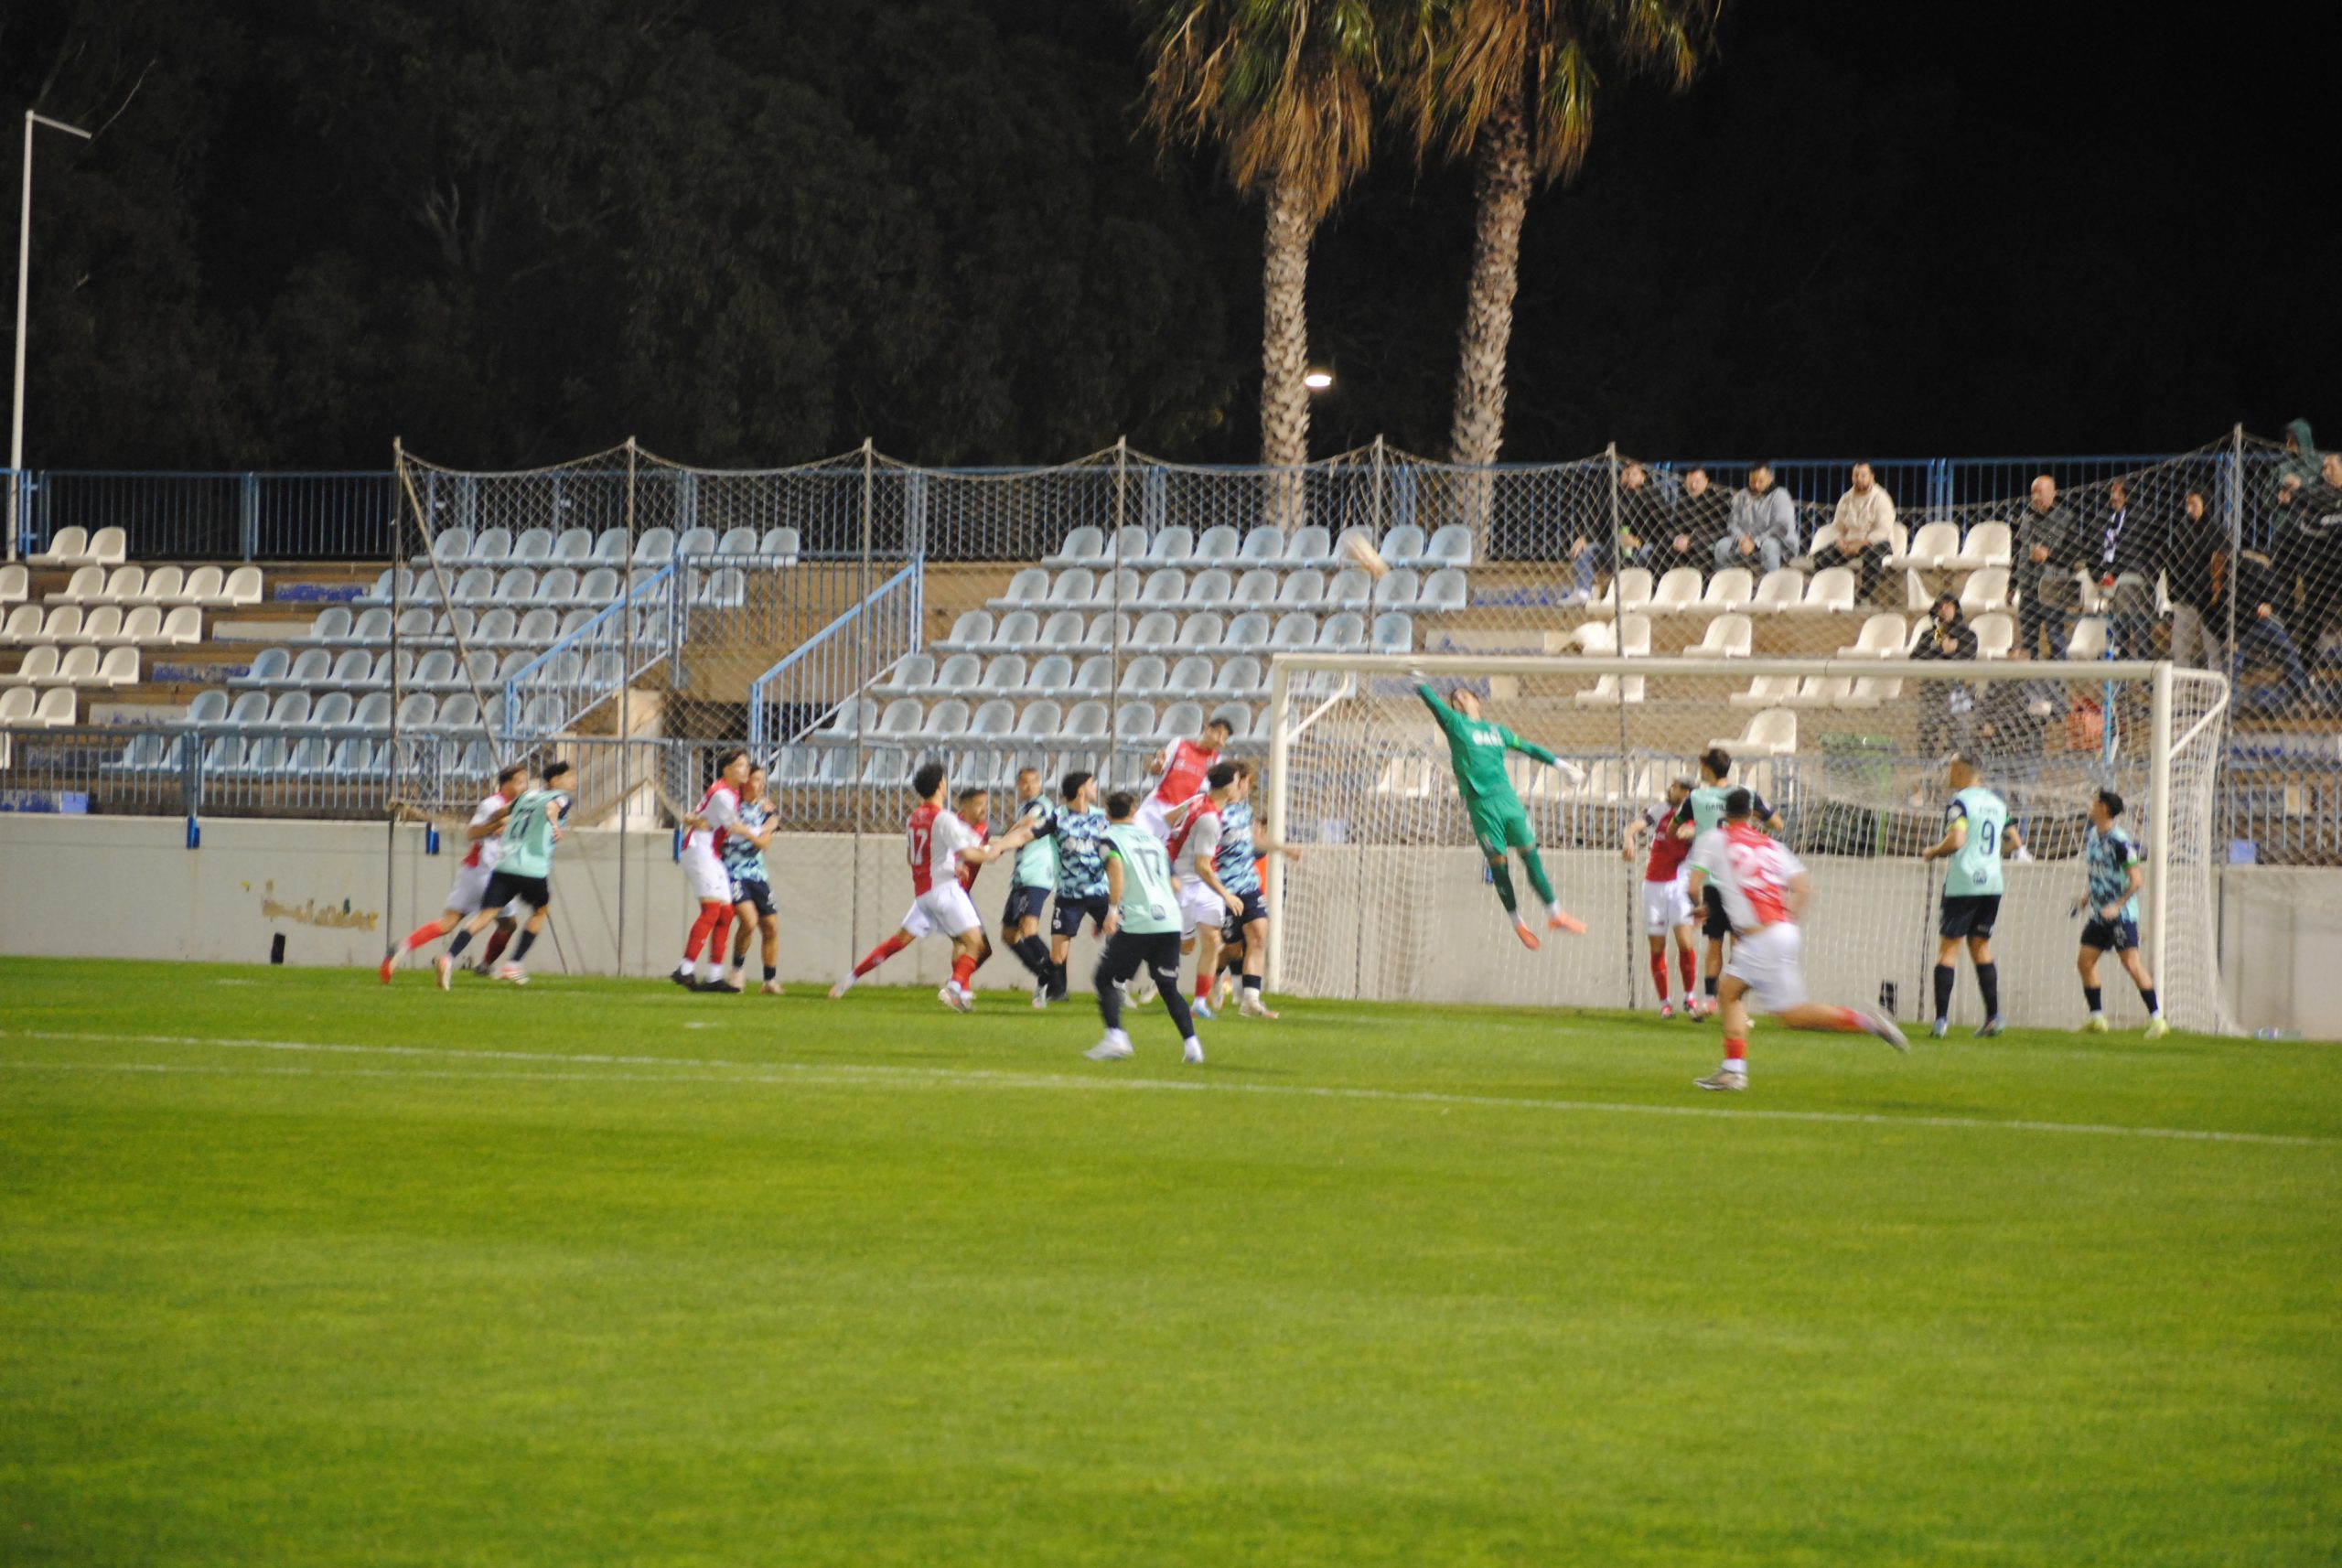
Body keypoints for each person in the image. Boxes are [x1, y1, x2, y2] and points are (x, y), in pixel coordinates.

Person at [1682, 789, 1907, 1090]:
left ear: (1725, 813)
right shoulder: (1771, 845)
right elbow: (1803, 887)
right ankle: (1733, 1070)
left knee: (1791, 1015)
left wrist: (1698, 906)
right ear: (1752, 814)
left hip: (1761, 938)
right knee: (1730, 992)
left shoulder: (1714, 839)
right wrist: (1785, 922)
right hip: (1782, 931)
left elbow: (1693, 886)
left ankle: (1868, 1022)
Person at [830, 766, 1032, 1009]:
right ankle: (955, 988)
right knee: (976, 945)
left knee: (902, 941)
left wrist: (951, 865)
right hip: (945, 891)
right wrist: (996, 850)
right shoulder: (944, 818)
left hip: (924, 894)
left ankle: (850, 978)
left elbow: (912, 857)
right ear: (940, 785)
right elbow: (972, 854)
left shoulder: (913, 818)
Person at [1413, 675, 1587, 950]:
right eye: (1455, 699)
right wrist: (1418, 680)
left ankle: (1555, 914)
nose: (1459, 699)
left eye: (1464, 695)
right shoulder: (1455, 724)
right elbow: (1433, 703)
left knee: (1531, 856)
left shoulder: (1498, 732)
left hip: (1507, 800)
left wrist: (1561, 765)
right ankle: (1518, 922)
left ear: (1477, 701)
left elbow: (1529, 748)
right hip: (1481, 806)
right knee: (1499, 865)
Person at [1084, 790, 1205, 1066]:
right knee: (1167, 985)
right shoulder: (1154, 841)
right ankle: (1192, 1045)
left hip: (1140, 919)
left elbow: (1115, 867)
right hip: (1169, 919)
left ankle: (1116, 1038)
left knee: (1105, 978)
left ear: (1107, 813)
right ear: (1134, 811)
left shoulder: (1108, 838)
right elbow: (1175, 884)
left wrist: (1112, 912)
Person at [379, 761, 526, 983]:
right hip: (488, 871)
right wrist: (496, 827)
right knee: (489, 921)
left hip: (475, 871)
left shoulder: (516, 808)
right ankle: (451, 959)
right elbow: (473, 833)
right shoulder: (492, 805)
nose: (524, 786)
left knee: (458, 923)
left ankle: (401, 948)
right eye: (520, 782)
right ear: (506, 784)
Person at [437, 759, 573, 987]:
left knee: (485, 915)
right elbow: (552, 808)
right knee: (541, 911)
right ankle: (513, 963)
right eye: (570, 777)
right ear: (555, 780)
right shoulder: (562, 797)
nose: (573, 782)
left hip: (505, 865)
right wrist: (554, 825)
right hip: (532, 868)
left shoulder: (526, 796)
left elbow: (498, 814)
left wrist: (499, 823)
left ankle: (448, 958)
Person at [1675, 747, 1785, 1018]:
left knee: (1714, 941)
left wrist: (1692, 831)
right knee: (1739, 943)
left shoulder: (1696, 797)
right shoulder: (1745, 795)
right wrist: (1758, 822)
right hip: (1742, 882)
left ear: (1707, 769)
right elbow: (1777, 824)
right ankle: (1735, 1005)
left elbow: (1673, 828)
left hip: (1713, 880)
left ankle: (1710, 1000)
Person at [1918, 755, 2008, 1038]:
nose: (1948, 773)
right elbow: (2012, 840)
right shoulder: (1998, 803)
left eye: (1950, 768)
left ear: (1959, 770)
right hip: (1992, 882)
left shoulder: (1960, 801)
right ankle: (1993, 1017)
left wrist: (1933, 851)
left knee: (1949, 950)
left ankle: (1941, 1021)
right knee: (1981, 947)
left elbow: (1957, 840)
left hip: (1964, 883)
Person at [1206, 759, 1296, 1019]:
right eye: (1244, 781)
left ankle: (1251, 1000)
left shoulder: (1245, 811)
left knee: (1258, 935)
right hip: (1223, 888)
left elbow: (1253, 839)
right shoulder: (1210, 812)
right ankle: (1212, 978)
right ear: (1235, 783)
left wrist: (1282, 849)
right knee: (1232, 948)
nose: (1248, 786)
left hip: (1249, 884)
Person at [2076, 789, 2169, 1037]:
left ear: (2104, 808)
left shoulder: (2120, 841)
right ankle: (2097, 1018)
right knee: (2085, 962)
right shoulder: (2093, 835)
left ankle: (2157, 1019)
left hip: (2121, 916)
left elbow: (2136, 880)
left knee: (2131, 963)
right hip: (2099, 914)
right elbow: (2100, 872)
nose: (2090, 806)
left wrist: (2117, 906)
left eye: (2095, 802)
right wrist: (2087, 895)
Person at [1033, 769, 1112, 1005]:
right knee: (1058, 955)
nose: (1096, 788)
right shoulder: (1057, 817)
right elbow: (1030, 833)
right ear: (1081, 791)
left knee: (1124, 938)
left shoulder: (1102, 817)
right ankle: (1042, 987)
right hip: (1069, 895)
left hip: (1100, 891)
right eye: (1092, 784)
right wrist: (1000, 846)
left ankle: (1114, 988)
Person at [1622, 777, 1699, 1017]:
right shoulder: (1660, 810)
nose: (1670, 789)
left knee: (1685, 942)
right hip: (1653, 886)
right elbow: (1636, 825)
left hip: (1680, 884)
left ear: (1686, 793)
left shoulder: (1697, 815)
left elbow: (1709, 833)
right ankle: (1665, 1004)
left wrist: (1693, 832)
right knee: (1657, 947)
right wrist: (1629, 838)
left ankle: (1690, 998)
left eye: (1675, 787)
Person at [672, 748, 748, 989]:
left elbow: (700, 815)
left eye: (746, 765)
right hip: (699, 849)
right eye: (740, 765)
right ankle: (685, 969)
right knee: (712, 910)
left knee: (726, 913)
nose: (745, 769)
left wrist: (692, 817)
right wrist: (760, 833)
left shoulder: (729, 792)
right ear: (726, 769)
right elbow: (734, 829)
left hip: (712, 852)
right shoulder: (723, 795)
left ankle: (714, 976)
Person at [716, 764, 780, 994]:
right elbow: (727, 832)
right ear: (745, 782)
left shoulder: (766, 810)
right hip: (733, 872)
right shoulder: (732, 807)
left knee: (771, 926)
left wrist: (746, 831)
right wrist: (759, 830)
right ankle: (736, 971)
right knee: (749, 920)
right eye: (756, 779)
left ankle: (769, 981)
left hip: (757, 874)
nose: (760, 785)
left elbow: (764, 844)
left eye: (762, 780)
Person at [997, 768, 1060, 1000]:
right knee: (1009, 934)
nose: (1030, 786)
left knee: (1029, 929)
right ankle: (1046, 978)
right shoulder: (1025, 806)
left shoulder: (1040, 804)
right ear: (1018, 785)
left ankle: (1057, 985)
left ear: (1040, 784)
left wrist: (1001, 843)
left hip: (1037, 875)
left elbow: (1027, 822)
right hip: (1022, 877)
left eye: (1034, 781)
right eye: (1025, 782)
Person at [2090, 478, 2157, 655]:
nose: (2114, 497)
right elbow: (2094, 549)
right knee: (2110, 605)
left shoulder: (2141, 518)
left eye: (2119, 493)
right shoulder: (2104, 518)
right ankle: (2119, 655)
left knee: (2126, 592)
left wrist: (2113, 573)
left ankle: (2142, 659)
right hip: (2109, 576)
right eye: (2112, 493)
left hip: (2132, 574)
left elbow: (2136, 552)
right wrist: (2100, 574)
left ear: (2128, 496)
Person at [1137, 716, 1232, 843]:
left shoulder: (1216, 761)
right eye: (1218, 734)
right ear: (1207, 730)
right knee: (1135, 840)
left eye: (1224, 739)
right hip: (1156, 805)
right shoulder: (1179, 745)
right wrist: (1159, 763)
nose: (1220, 741)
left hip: (1179, 815)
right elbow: (1155, 771)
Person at [2015, 475, 2079, 659]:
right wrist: (2012, 585)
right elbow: (2019, 551)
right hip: (2028, 586)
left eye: (2040, 492)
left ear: (2053, 493)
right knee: (2028, 640)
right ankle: (2030, 674)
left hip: (2053, 586)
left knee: (2055, 635)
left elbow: (2072, 553)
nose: (2036, 497)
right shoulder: (2027, 520)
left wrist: (2049, 556)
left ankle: (2058, 674)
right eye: (2033, 493)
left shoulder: (2066, 519)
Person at [2165, 489, 2227, 671]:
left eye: (2195, 504)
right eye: (2188, 504)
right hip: (2186, 598)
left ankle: (2216, 688)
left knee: (2214, 650)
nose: (2190, 509)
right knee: (2180, 650)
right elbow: (2173, 564)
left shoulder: (2216, 532)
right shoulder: (2181, 532)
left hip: (2210, 601)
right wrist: (2174, 594)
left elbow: (2223, 562)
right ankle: (2179, 687)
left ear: (2204, 505)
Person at [1909, 592, 1978, 755]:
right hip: (1932, 691)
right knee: (1927, 735)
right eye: (1941, 606)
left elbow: (1967, 658)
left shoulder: (1968, 635)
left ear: (1956, 609)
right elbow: (1916, 657)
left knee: (1958, 737)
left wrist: (1950, 651)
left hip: (1958, 689)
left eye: (1949, 606)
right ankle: (1928, 768)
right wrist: (1943, 648)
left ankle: (1953, 765)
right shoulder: (1931, 635)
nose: (1944, 609)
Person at [1824, 463, 1896, 602]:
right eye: (1856, 475)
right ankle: (1830, 594)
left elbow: (1883, 529)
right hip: (1850, 542)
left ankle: (1864, 597)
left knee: (1872, 555)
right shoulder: (1846, 498)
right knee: (1821, 559)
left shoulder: (1881, 497)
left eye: (1863, 475)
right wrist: (1840, 540)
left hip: (1876, 542)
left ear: (1872, 477)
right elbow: (1837, 526)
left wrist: (1861, 543)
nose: (1859, 479)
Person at [1716, 464, 1797, 575]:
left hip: (1778, 541)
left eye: (1760, 481)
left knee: (1769, 546)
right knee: (1721, 546)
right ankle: (1723, 582)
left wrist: (1755, 542)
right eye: (1752, 482)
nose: (1756, 486)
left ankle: (1770, 583)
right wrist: (1741, 539)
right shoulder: (1742, 495)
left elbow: (1781, 528)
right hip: (1745, 541)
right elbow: (1732, 523)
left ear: (1770, 478)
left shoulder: (1780, 495)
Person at [1660, 467, 1729, 578]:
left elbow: (1717, 530)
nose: (1693, 486)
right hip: (1684, 542)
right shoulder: (1684, 501)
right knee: (1662, 547)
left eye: (1697, 482)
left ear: (1706, 481)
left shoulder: (1716, 501)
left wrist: (1691, 539)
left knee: (1699, 550)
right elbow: (1674, 526)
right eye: (1690, 482)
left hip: (1706, 543)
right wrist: (1677, 538)